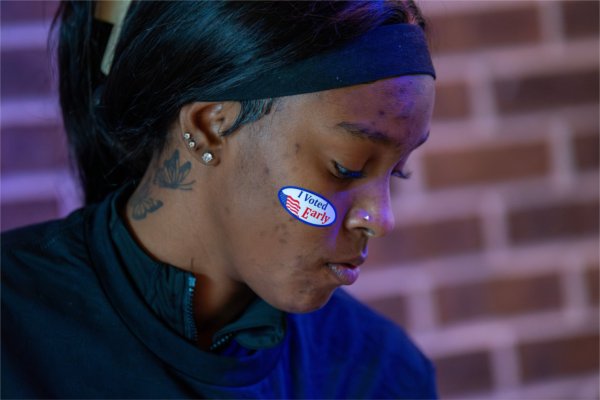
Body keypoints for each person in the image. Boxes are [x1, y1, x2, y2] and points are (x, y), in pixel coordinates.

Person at [1, 1, 437, 398]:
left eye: (396, 172)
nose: (380, 218)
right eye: (345, 167)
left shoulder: (382, 373)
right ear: (210, 127)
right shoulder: (15, 329)